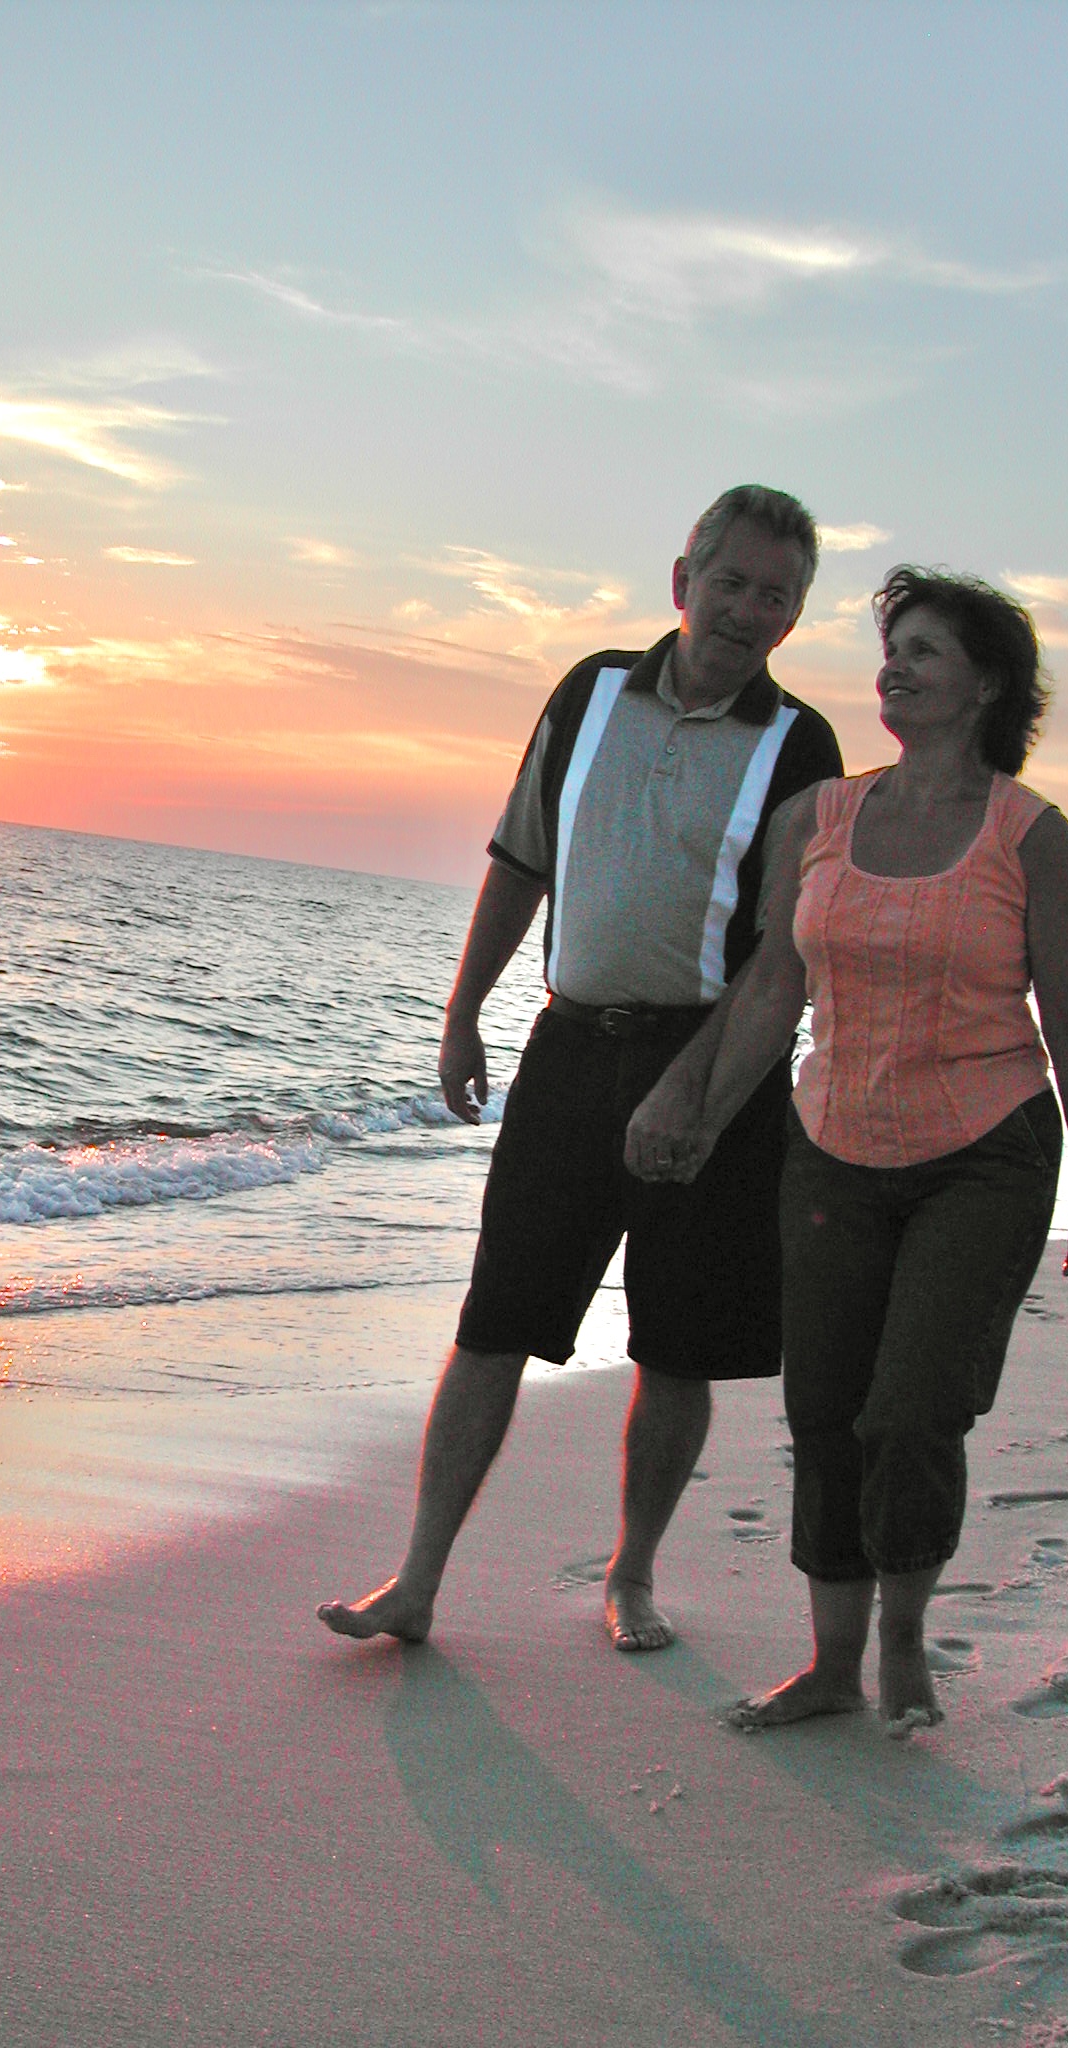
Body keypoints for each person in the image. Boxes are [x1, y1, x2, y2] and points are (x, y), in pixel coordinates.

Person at [318, 485, 843, 1652]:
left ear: (795, 615)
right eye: (732, 582)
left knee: (679, 1343)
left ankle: (635, 1573)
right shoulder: (590, 689)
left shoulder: (800, 743)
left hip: (716, 1070)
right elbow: (520, 860)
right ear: (681, 579)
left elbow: (780, 959)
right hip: (570, 1050)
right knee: (495, 1317)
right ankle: (415, 1579)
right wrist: (462, 1015)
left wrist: (698, 1095)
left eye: (777, 595)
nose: (749, 610)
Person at [626, 565, 1068, 1732]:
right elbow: (772, 989)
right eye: (892, 644)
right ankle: (831, 1663)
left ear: (986, 683)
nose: (896, 664)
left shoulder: (1029, 833)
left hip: (983, 1149)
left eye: (927, 650)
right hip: (833, 1146)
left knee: (909, 1409)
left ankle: (905, 1642)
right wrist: (699, 1113)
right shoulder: (828, 817)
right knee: (826, 1411)